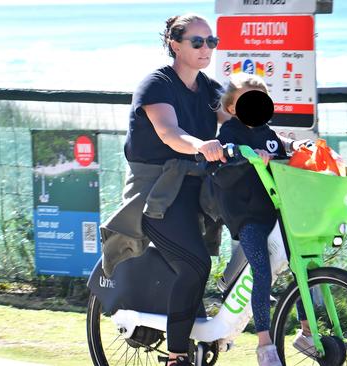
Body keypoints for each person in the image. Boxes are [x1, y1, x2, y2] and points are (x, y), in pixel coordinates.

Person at [100, 13, 227, 366]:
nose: (207, 49)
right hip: (155, 196)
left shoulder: (210, 89)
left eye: (211, 42)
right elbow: (170, 132)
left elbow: (238, 123)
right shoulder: (156, 85)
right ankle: (176, 356)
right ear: (175, 44)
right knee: (195, 264)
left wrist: (279, 144)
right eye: (197, 42)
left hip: (194, 188)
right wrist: (203, 145)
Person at [210, 72, 317, 365]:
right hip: (247, 214)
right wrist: (244, 155)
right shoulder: (230, 133)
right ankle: (264, 344)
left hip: (276, 210)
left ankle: (307, 332)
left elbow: (279, 149)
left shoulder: (266, 132)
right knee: (262, 272)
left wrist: (296, 148)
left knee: (302, 264)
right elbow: (226, 161)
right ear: (232, 107)